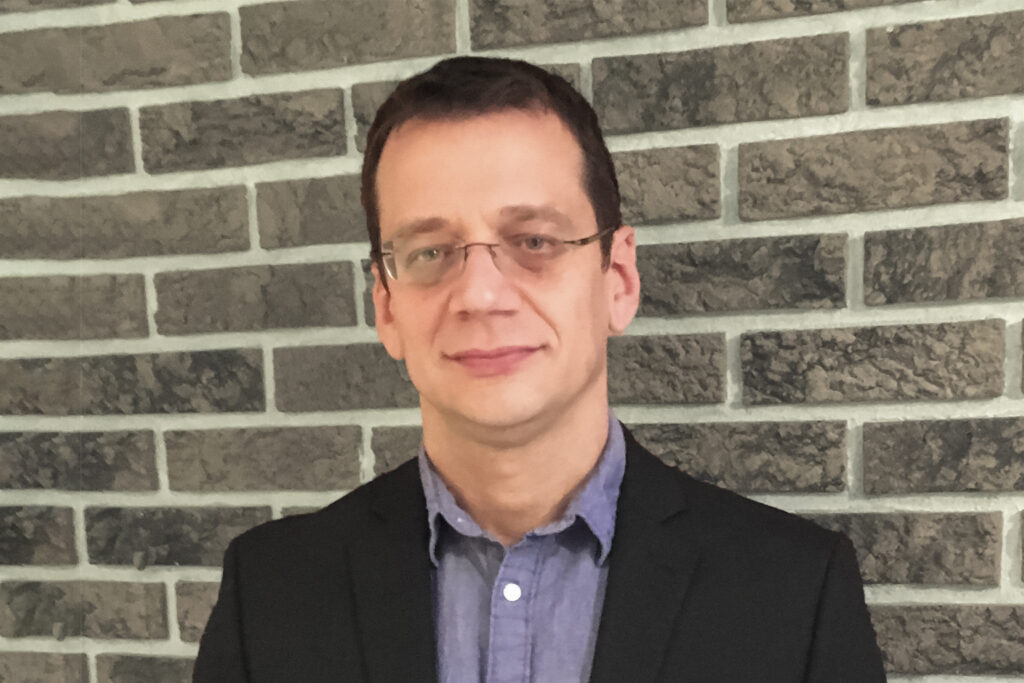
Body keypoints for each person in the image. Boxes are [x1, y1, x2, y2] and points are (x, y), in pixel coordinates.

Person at [193, 56, 886, 683]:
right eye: (430, 252)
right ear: (386, 304)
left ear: (618, 279)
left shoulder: (794, 592)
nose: (480, 295)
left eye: (534, 241)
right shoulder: (271, 594)